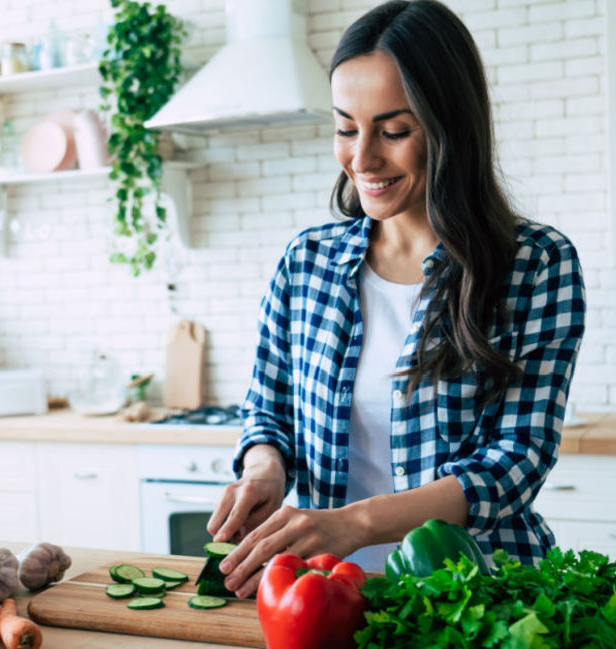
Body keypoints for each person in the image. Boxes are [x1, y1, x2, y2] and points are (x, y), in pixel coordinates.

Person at [206, 0, 586, 598]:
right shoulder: (307, 262)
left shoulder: (534, 264)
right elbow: (268, 412)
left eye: (394, 131)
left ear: (448, 126)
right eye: (345, 128)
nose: (362, 159)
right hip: (327, 595)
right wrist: (264, 469)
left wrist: (353, 524)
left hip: (480, 597)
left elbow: (517, 460)